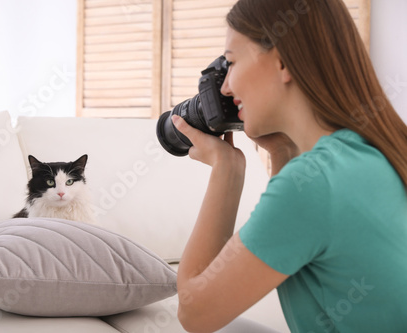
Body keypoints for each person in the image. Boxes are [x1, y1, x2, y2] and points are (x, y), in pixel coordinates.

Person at [172, 0, 407, 332]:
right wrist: (282, 152)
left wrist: (227, 170)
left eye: (231, 63)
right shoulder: (378, 151)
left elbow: (194, 313)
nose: (225, 87)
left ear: (282, 61)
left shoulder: (313, 184)